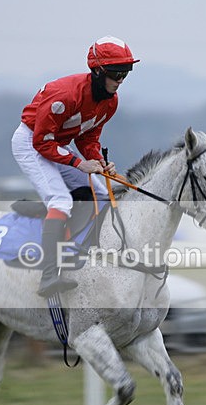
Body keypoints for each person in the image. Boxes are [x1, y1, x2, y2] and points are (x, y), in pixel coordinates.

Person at [12, 36, 139, 297]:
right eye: (116, 73)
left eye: (126, 73)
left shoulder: (110, 102)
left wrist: (99, 162)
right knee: (60, 200)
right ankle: (48, 275)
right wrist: (80, 163)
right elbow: (41, 142)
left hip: (56, 143)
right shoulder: (65, 96)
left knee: (103, 194)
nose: (121, 80)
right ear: (97, 71)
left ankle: (75, 246)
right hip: (32, 142)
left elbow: (87, 138)